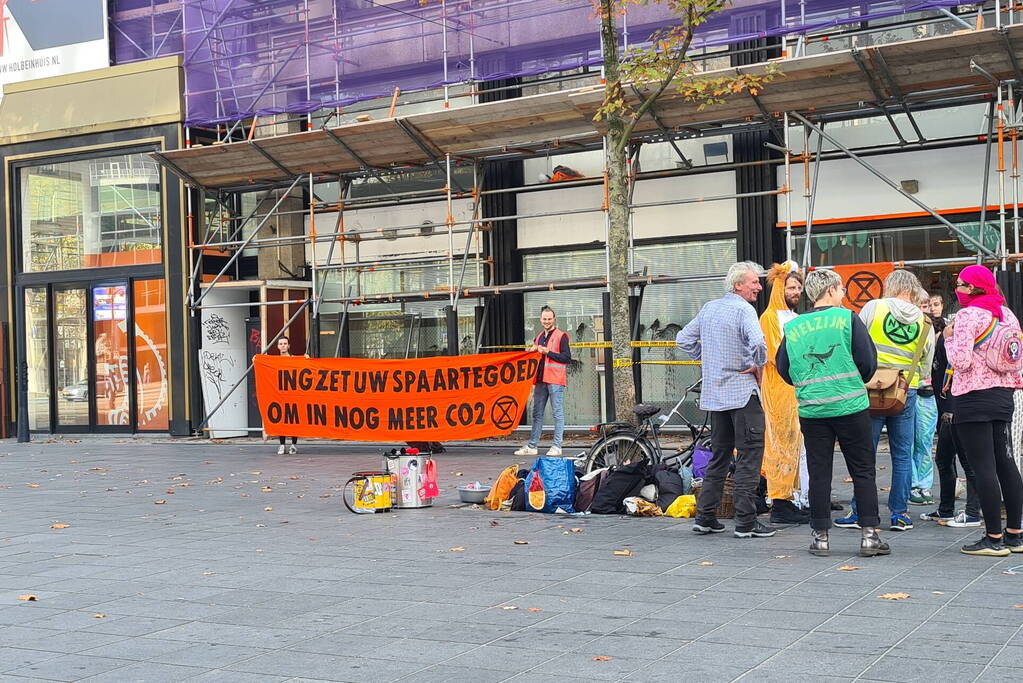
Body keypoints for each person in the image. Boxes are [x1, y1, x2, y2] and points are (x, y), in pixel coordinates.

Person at [776, 269, 888, 557]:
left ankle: (821, 536)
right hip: (851, 405)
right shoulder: (847, 319)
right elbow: (867, 363)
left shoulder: (794, 326)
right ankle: (869, 536)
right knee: (862, 470)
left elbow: (784, 368)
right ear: (830, 290)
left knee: (819, 470)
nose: (843, 293)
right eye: (840, 288)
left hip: (813, 409)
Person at [677, 261, 774, 539]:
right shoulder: (745, 310)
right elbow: (758, 343)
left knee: (719, 456)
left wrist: (707, 359)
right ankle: (745, 521)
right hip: (743, 394)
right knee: (749, 455)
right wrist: (758, 364)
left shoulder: (709, 308)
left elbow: (683, 339)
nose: (758, 286)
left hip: (716, 397)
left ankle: (705, 516)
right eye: (754, 282)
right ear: (738, 285)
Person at [836, 270, 934, 532]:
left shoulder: (874, 307)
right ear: (913, 290)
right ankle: (900, 514)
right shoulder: (925, 321)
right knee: (902, 454)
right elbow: (926, 367)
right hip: (906, 392)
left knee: (863, 453)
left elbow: (855, 344)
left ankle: (859, 511)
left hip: (871, 388)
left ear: (890, 286)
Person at [945, 265, 1023, 556]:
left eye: (962, 284)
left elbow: (961, 361)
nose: (959, 289)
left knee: (984, 468)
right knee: (1006, 463)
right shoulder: (1007, 314)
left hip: (973, 397)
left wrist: (948, 337)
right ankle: (1015, 533)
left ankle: (992, 538)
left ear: (974, 288)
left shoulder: (968, 316)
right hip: (1003, 396)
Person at [919, 311, 982, 527]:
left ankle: (973, 511)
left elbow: (957, 371)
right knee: (944, 458)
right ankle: (946, 508)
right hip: (946, 405)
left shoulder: (956, 340)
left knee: (967, 460)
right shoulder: (944, 340)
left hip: (955, 408)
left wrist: (952, 408)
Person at [759, 262, 810, 525]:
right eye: (791, 287)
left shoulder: (794, 318)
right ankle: (780, 501)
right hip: (780, 389)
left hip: (796, 389)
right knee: (780, 443)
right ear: (780, 288)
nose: (796, 292)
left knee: (795, 445)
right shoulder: (770, 318)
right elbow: (778, 356)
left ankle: (794, 497)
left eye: (799, 288)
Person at [515, 306, 571, 457]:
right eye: (544, 319)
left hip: (555, 380)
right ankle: (532, 445)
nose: (547, 321)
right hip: (540, 380)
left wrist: (548, 352)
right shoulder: (539, 336)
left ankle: (557, 445)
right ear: (541, 320)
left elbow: (567, 358)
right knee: (537, 413)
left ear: (554, 319)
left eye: (549, 319)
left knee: (557, 413)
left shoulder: (561, 336)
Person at [909, 289, 938, 507]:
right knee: (907, 440)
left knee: (925, 440)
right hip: (909, 387)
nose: (923, 309)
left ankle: (924, 483)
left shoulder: (930, 327)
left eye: (925, 305)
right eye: (919, 305)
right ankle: (912, 484)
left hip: (926, 389)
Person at [275, 336, 300, 455]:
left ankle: (293, 445)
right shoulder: (273, 361)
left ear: (289, 346)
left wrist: (307, 360)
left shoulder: (295, 359)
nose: (283, 346)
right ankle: (282, 444)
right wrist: (257, 359)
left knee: (294, 420)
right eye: (281, 344)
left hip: (293, 395)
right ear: (278, 346)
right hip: (280, 395)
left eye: (285, 343)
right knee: (282, 420)